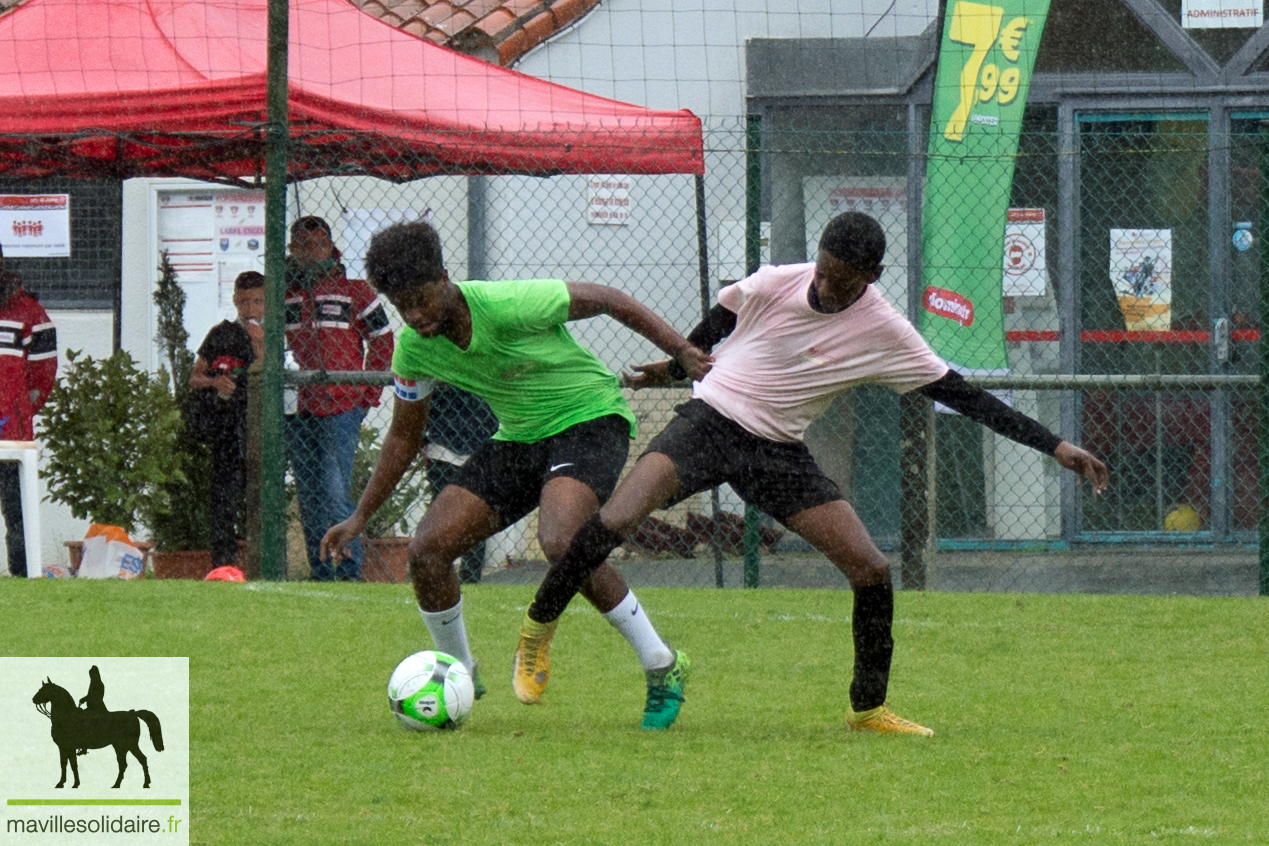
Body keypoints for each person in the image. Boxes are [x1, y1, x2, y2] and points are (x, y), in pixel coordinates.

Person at [524, 211, 1111, 737]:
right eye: (822, 273)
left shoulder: (885, 330)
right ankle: (537, 631)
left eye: (842, 281)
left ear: (873, 276)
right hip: (710, 422)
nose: (825, 288)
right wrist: (680, 363)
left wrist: (1055, 445)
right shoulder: (778, 279)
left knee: (871, 568)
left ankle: (868, 710)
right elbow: (718, 324)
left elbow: (964, 394)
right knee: (615, 519)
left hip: (778, 453)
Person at [321, 219, 712, 729]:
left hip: (588, 417)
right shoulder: (414, 348)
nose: (415, 317)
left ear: (443, 277)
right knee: (427, 551)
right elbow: (401, 437)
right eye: (403, 306)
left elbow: (609, 298)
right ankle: (459, 673)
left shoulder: (505, 303)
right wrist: (359, 515)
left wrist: (681, 350)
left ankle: (662, 664)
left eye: (421, 299)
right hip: (521, 436)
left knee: (561, 541)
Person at [284, 216, 394, 582]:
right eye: (301, 245)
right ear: (290, 251)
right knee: (309, 494)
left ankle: (349, 569)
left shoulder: (356, 291)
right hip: (299, 410)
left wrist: (367, 394)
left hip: (342, 407)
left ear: (332, 248)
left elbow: (383, 340)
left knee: (335, 492)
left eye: (316, 244)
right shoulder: (285, 296)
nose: (309, 252)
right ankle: (319, 571)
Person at [189, 271, 265, 571]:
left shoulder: (275, 333)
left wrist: (259, 344)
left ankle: (264, 562)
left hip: (259, 426)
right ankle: (223, 563)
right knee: (224, 495)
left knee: (259, 493)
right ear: (235, 301)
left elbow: (273, 369)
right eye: (244, 302)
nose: (251, 309)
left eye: (258, 301)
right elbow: (195, 376)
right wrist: (215, 383)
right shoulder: (221, 333)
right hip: (225, 427)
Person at [0, 243, 57, 578]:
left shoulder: (30, 312)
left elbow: (43, 375)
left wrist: (17, 412)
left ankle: (21, 578)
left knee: (16, 513)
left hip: (11, 434)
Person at [425, 384, 499, 584]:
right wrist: (424, 441)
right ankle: (435, 572)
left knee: (477, 514)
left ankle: (471, 577)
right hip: (442, 447)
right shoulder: (439, 366)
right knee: (441, 513)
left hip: (480, 446)